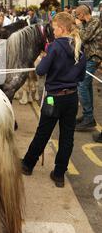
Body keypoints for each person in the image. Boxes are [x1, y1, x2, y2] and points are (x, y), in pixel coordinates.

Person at [21, 12, 86, 187]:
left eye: (55, 27)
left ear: (62, 28)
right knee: (67, 137)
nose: (53, 30)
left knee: (43, 133)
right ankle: (59, 174)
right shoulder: (79, 46)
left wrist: (46, 59)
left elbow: (40, 71)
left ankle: (27, 164)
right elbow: (80, 76)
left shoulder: (55, 47)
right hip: (71, 97)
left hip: (53, 98)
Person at [74, 5, 102, 131]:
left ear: (83, 14)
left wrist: (79, 25)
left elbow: (85, 37)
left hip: (94, 56)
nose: (76, 18)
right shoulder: (87, 23)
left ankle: (89, 117)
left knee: (82, 85)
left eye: (77, 15)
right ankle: (87, 116)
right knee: (87, 85)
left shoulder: (95, 22)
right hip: (88, 56)